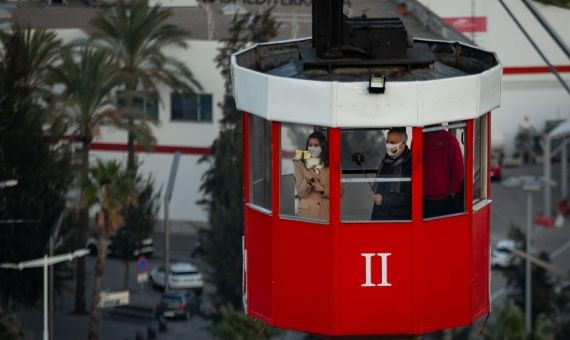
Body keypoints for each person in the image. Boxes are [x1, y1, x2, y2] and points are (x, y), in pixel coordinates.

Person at [423, 126, 465, 218]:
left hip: (445, 200)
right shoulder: (418, 140)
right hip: (423, 201)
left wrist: (453, 193)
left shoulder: (449, 140)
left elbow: (458, 170)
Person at [371, 128, 412, 220]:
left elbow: (410, 195)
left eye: (392, 142)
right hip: (380, 213)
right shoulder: (386, 159)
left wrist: (385, 199)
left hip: (399, 216)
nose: (388, 145)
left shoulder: (410, 163)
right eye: (387, 142)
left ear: (402, 144)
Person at [294, 131, 330, 220]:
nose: (312, 148)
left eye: (316, 145)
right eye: (310, 145)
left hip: (326, 213)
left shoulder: (332, 162)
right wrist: (306, 182)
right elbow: (300, 193)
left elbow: (340, 191)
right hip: (307, 213)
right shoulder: (300, 162)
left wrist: (323, 189)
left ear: (323, 146)